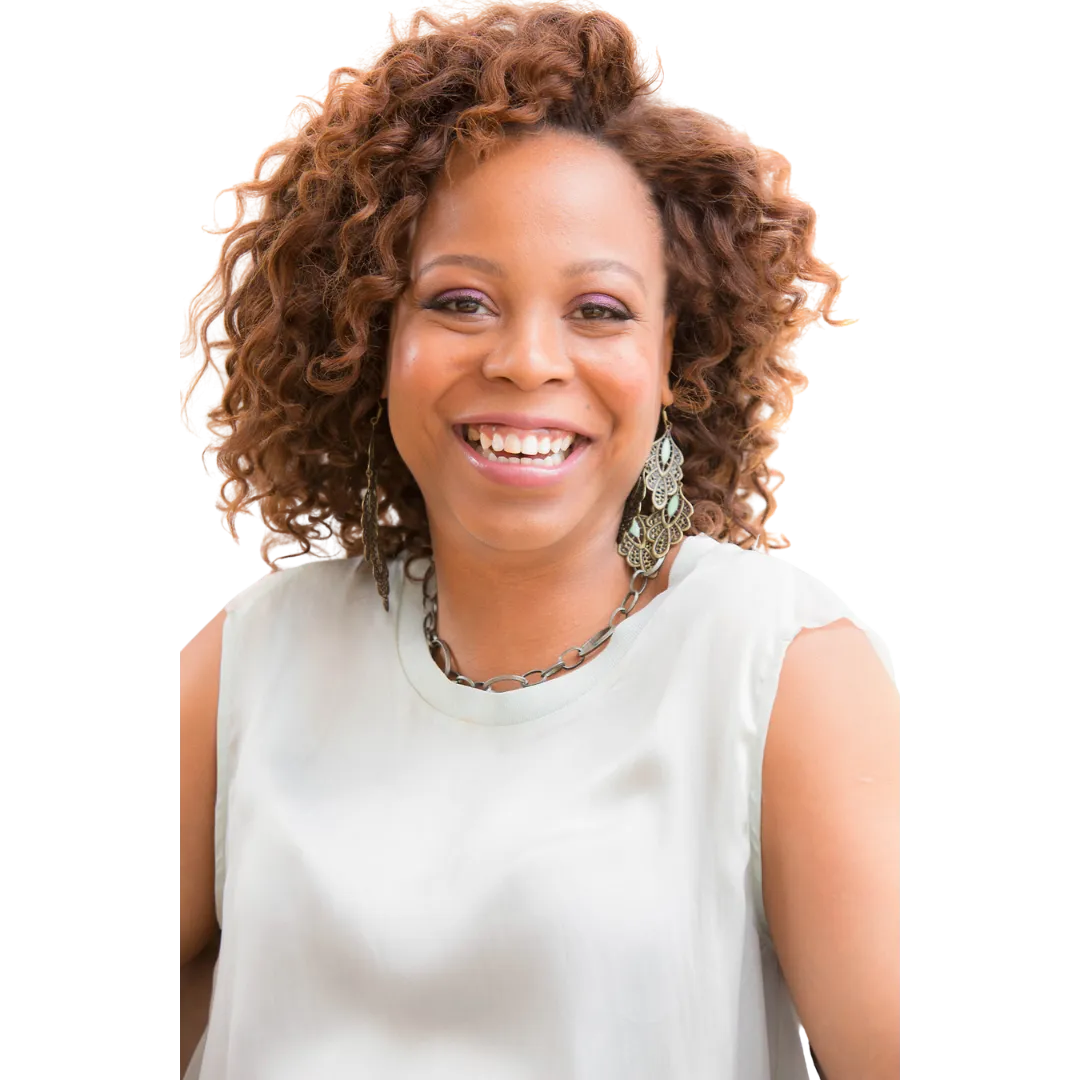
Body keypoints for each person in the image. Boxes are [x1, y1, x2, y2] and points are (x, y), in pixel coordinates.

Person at [178, 2, 902, 1078]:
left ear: (675, 357)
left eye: (599, 310)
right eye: (460, 300)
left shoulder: (775, 666)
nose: (525, 361)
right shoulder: (252, 655)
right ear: (374, 338)